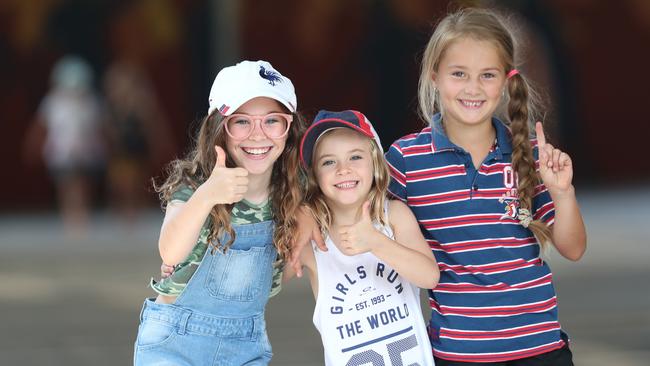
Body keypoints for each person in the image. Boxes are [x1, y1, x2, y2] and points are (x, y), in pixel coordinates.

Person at [384, 8, 587, 365]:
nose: (473, 88)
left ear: (507, 80)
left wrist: (563, 193)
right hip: (458, 354)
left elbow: (573, 248)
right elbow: (355, 210)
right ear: (435, 76)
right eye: (459, 74)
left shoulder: (530, 154)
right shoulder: (406, 160)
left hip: (540, 350)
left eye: (487, 75)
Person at [133, 60, 306, 365]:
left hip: (245, 345)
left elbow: (281, 272)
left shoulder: (294, 194)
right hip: (175, 341)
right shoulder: (195, 184)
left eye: (272, 121)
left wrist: (308, 223)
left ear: (289, 129)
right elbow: (170, 252)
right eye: (241, 121)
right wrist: (208, 196)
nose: (257, 134)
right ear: (218, 128)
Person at [290, 110, 439, 365]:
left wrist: (377, 242)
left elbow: (430, 277)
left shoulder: (393, 217)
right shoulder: (313, 239)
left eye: (355, 157)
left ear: (376, 164)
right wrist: (298, 212)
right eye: (328, 162)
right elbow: (268, 282)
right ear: (314, 175)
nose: (343, 169)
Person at [23, 55, 105, 239]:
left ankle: (81, 215)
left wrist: (104, 146)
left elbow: (99, 128)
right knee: (66, 185)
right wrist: (33, 145)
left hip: (86, 151)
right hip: (61, 153)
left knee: (82, 185)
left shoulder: (91, 102)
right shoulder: (52, 102)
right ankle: (69, 217)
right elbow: (40, 126)